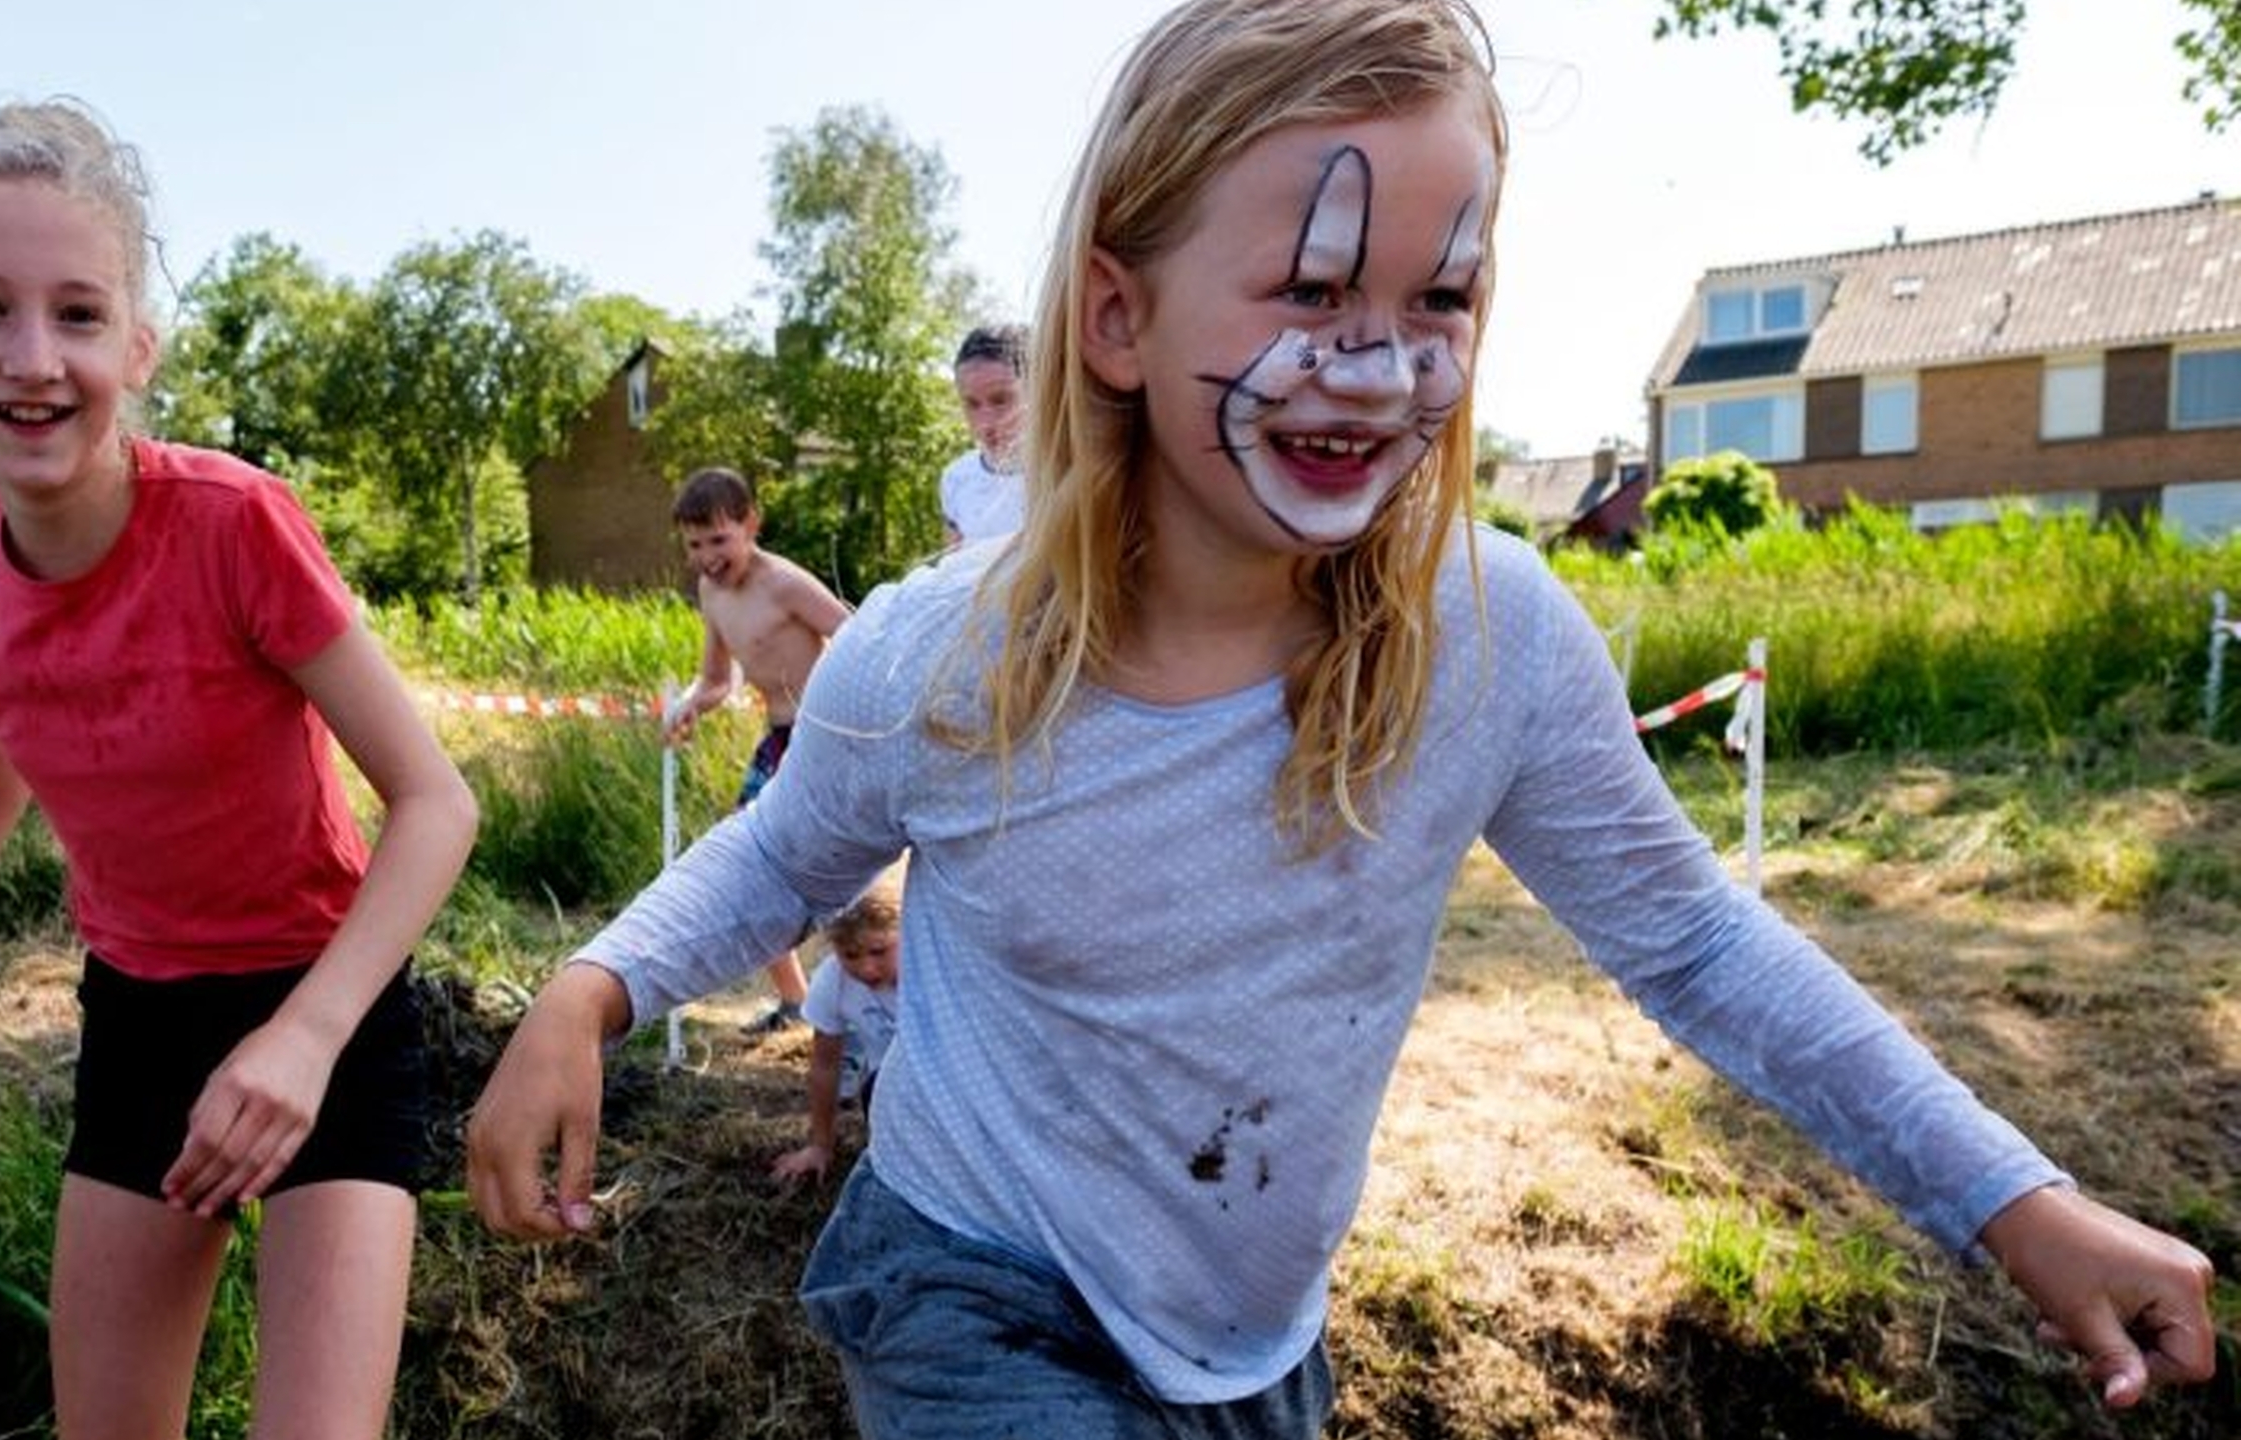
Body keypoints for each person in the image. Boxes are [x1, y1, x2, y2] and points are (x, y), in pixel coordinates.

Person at [465, 0, 2218, 1433]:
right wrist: (589, 990)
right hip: (967, 1286)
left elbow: (1698, 944)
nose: (1377, 367)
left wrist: (2014, 1199)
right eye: (1309, 293)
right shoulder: (944, 658)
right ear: (1117, 317)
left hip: (1252, 1348)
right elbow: (783, 857)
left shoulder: (1492, 639)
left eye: (1435, 298)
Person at [0, 101, 478, 1440]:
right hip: (140, 1019)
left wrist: (301, 1040)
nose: (32, 358)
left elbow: (435, 802)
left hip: (330, 1008)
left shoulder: (235, 524)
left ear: (138, 344)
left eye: (77, 315)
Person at [660, 466, 854, 1034]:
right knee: (754, 863)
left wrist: (844, 713)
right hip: (777, 740)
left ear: (751, 525)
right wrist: (692, 705)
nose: (708, 557)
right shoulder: (710, 592)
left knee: (840, 869)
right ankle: (797, 1002)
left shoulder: (785, 582)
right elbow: (718, 678)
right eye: (695, 545)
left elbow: (853, 633)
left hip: (826, 734)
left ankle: (863, 1000)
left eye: (719, 540)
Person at [770, 862, 905, 1189]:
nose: (868, 968)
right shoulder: (833, 981)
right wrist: (820, 1145)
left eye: (879, 951)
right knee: (878, 1087)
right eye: (851, 955)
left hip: (953, 1084)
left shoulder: (932, 965)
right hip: (889, 1092)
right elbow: (825, 1066)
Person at [937, 324, 1029, 548]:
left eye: (1000, 400)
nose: (985, 423)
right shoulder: (956, 478)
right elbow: (953, 571)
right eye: (972, 404)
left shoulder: (1074, 474)